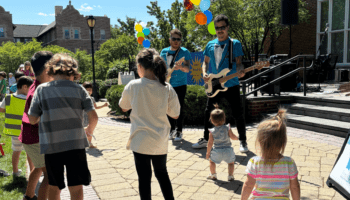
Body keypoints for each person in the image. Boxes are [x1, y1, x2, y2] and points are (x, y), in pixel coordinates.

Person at [28, 53, 98, 200]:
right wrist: (89, 132)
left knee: (54, 185)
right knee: (76, 185)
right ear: (73, 72)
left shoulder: (41, 90)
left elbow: (32, 119)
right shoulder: (79, 89)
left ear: (50, 70)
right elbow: (94, 117)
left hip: (52, 147)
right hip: (76, 146)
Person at [119, 48, 180, 200]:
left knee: (144, 178)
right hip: (160, 139)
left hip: (140, 140)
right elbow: (175, 114)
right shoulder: (166, 87)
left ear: (140, 66)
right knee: (162, 173)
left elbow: (124, 106)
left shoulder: (133, 85)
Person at [192, 14, 249, 153]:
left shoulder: (234, 43)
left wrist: (241, 71)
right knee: (208, 113)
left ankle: (243, 141)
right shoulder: (210, 44)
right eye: (217, 28)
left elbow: (239, 64)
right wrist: (204, 73)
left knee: (238, 113)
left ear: (227, 27)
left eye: (223, 27)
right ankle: (206, 139)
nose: (220, 30)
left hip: (231, 83)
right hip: (214, 84)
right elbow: (204, 62)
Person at [241, 109, 300, 200]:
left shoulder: (254, 162)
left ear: (260, 142)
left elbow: (248, 185)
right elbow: (295, 187)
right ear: (283, 142)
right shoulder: (289, 163)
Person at [20, 51, 53, 200]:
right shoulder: (39, 92)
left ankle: (28, 196)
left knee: (39, 168)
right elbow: (37, 118)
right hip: (36, 139)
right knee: (50, 174)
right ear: (48, 69)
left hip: (30, 137)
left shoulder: (37, 85)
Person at [160, 29, 192, 142]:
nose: (176, 41)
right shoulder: (163, 52)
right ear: (170, 39)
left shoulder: (185, 52)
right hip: (167, 84)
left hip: (180, 84)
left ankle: (179, 131)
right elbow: (161, 68)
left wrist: (181, 67)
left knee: (179, 108)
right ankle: (171, 129)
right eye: (174, 39)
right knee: (168, 107)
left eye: (178, 39)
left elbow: (188, 69)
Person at [0, 76, 34, 177]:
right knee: (30, 152)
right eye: (31, 88)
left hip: (14, 131)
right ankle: (32, 171)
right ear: (24, 87)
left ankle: (15, 171)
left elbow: (1, 110)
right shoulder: (29, 100)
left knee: (16, 150)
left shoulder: (8, 97)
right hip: (28, 130)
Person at [206, 104, 238, 181]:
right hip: (228, 150)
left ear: (211, 120)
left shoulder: (212, 131)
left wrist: (208, 152)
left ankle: (213, 175)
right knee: (231, 163)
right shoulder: (227, 128)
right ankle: (230, 176)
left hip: (217, 150)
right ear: (224, 119)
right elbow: (232, 136)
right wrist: (237, 138)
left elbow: (210, 143)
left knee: (212, 161)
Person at [82, 81, 108, 148]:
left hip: (90, 117)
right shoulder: (81, 98)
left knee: (90, 129)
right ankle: (83, 142)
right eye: (86, 90)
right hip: (82, 117)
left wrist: (104, 105)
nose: (88, 91)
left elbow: (95, 107)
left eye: (90, 90)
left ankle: (89, 143)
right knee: (83, 129)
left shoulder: (92, 99)